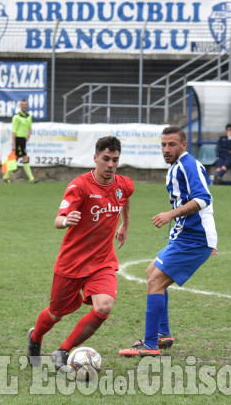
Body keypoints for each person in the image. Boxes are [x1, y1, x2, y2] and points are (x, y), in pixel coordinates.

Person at [27, 136, 134, 370]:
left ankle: (63, 350)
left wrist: (125, 224)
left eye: (115, 160)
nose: (110, 164)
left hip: (103, 260)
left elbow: (124, 199)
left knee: (104, 306)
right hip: (72, 262)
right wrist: (66, 221)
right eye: (105, 159)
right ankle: (35, 338)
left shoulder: (124, 184)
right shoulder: (80, 186)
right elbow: (58, 219)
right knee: (56, 314)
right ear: (95, 158)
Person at [119, 126, 217, 357]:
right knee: (151, 272)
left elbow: (203, 198)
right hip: (187, 236)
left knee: (155, 282)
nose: (166, 149)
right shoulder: (178, 166)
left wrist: (170, 215)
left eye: (171, 144)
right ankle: (163, 334)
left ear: (183, 145)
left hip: (194, 238)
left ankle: (150, 344)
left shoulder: (188, 164)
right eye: (163, 144)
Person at [3, 99, 38, 184]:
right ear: (20, 106)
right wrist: (14, 144)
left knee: (17, 158)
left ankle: (6, 176)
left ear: (27, 106)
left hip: (23, 140)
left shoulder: (29, 116)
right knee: (24, 157)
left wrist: (28, 135)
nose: (24, 106)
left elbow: (30, 128)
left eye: (25, 105)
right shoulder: (16, 117)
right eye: (22, 105)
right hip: (18, 139)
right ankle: (31, 178)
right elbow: (14, 131)